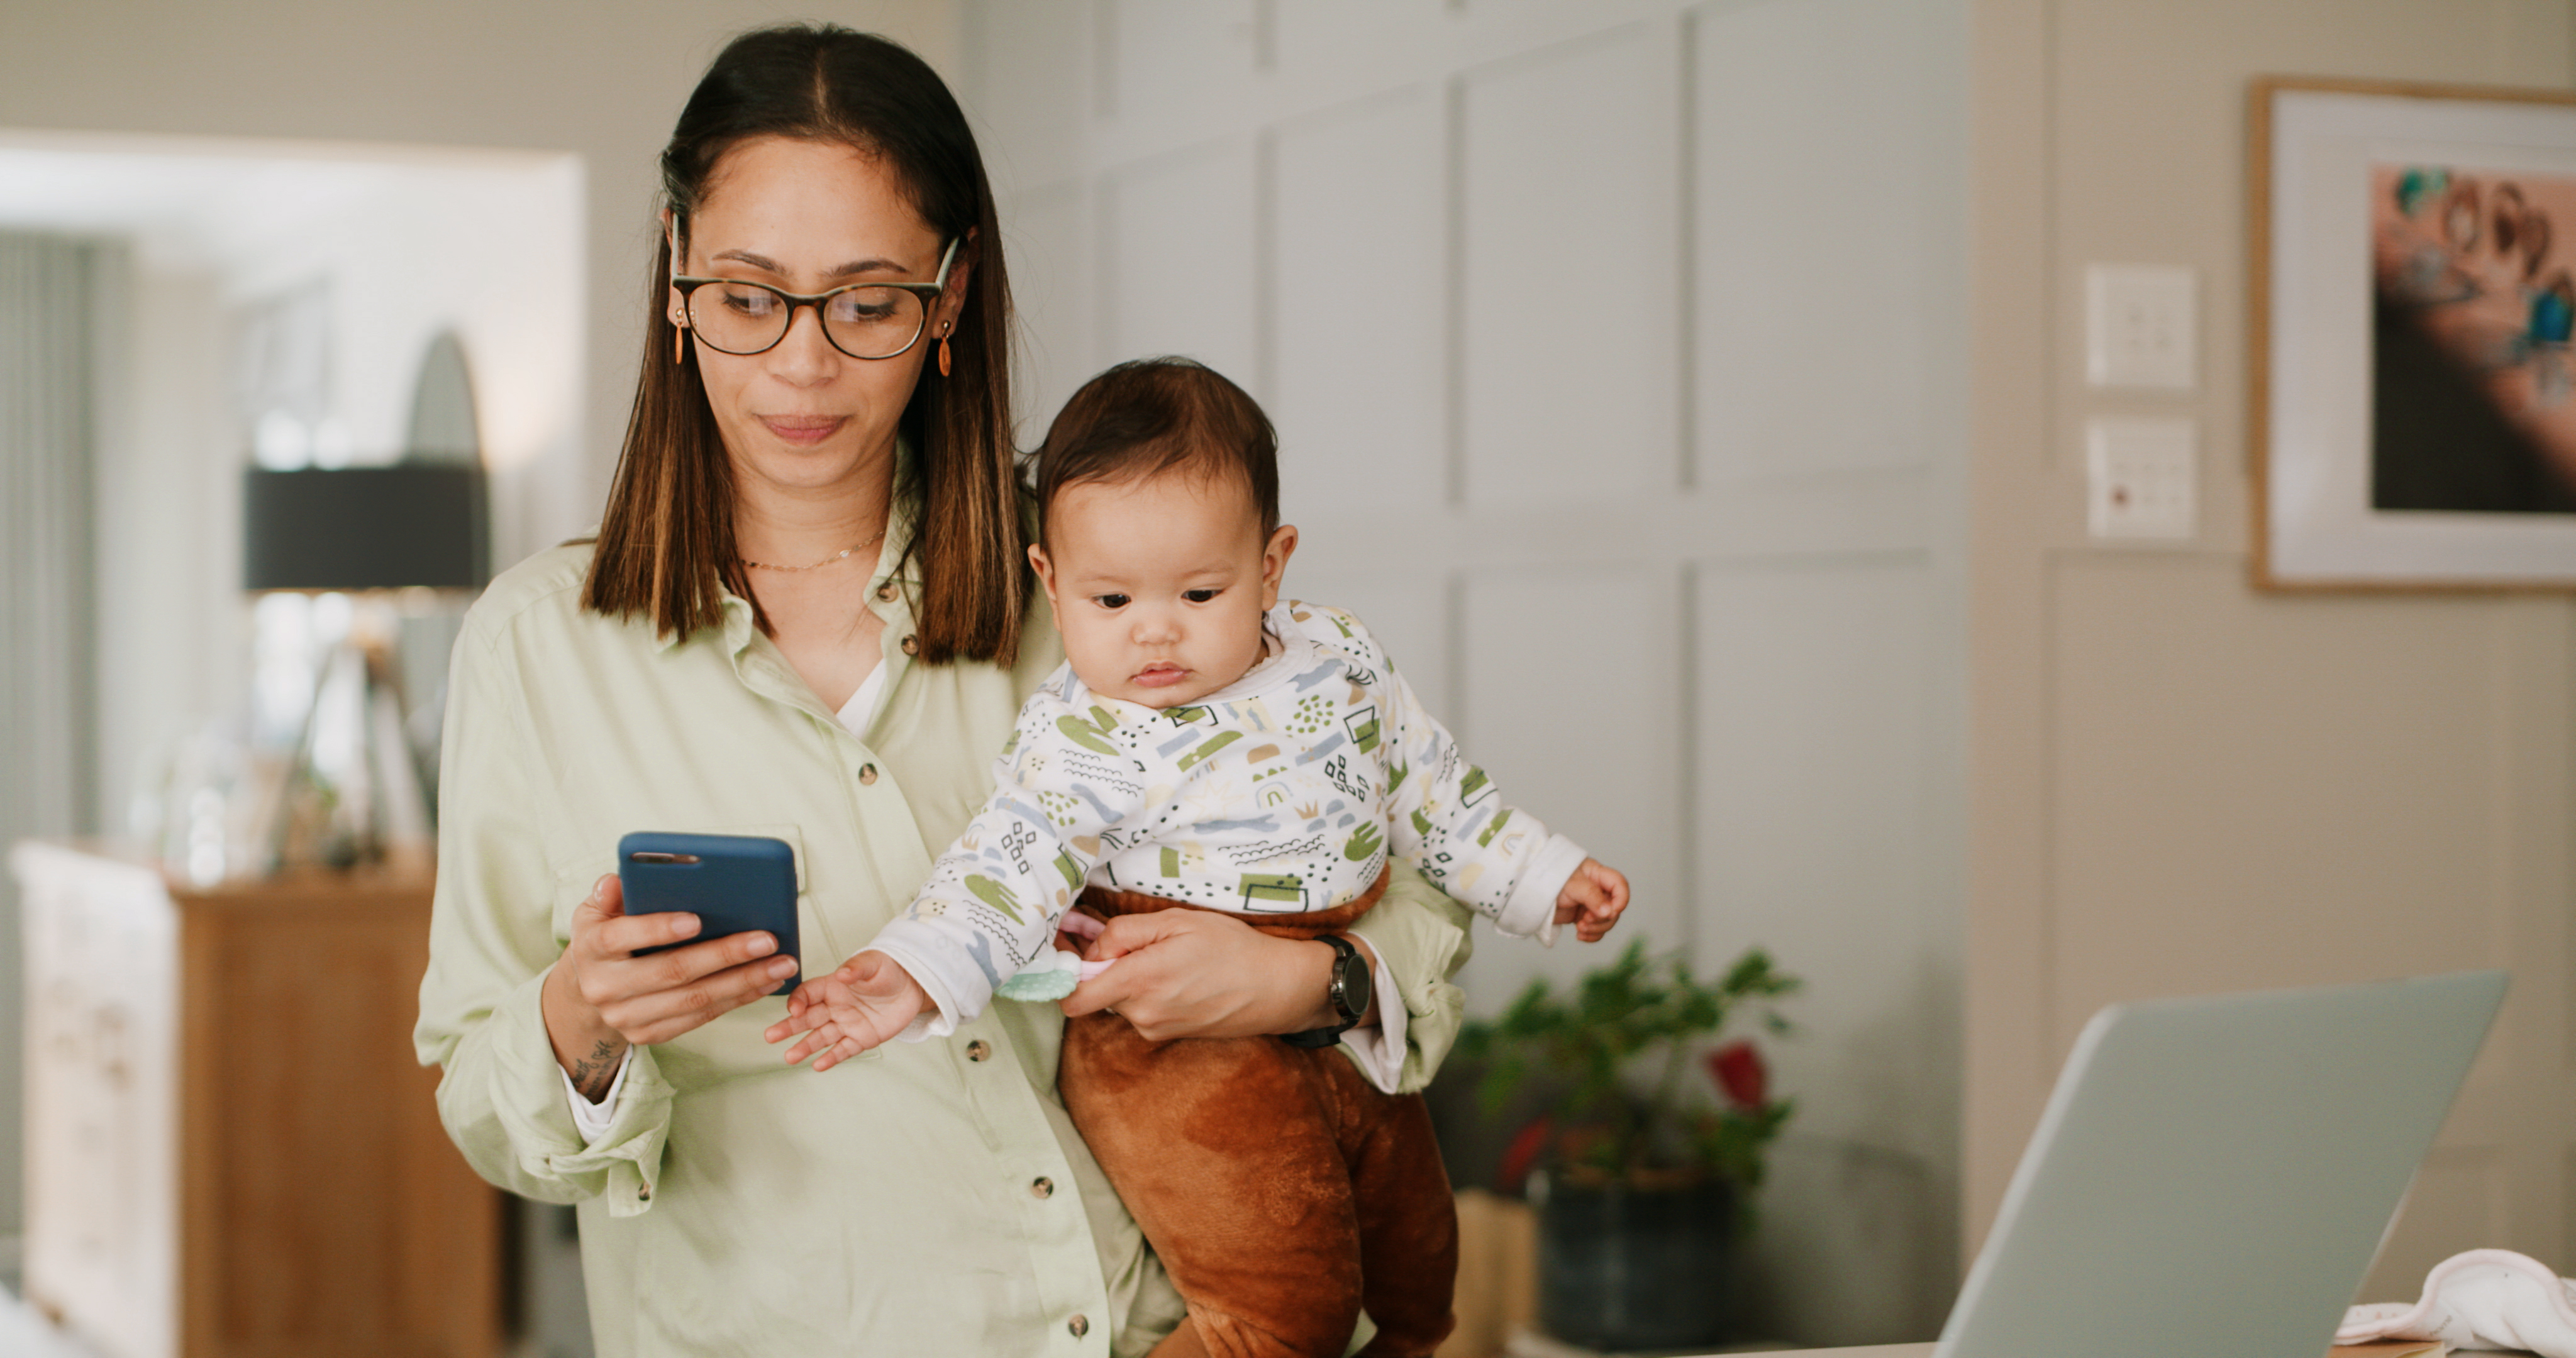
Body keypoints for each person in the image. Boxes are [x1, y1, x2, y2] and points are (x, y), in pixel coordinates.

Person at [411, 26, 1478, 1357]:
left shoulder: (1116, 589)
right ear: (677, 286)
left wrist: (1305, 984)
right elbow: (479, 1093)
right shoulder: (537, 647)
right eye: (748, 297)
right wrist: (578, 1024)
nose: (804, 366)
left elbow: (1420, 882)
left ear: (953, 294)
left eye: (867, 303)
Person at [767, 358, 1631, 1357]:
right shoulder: (1082, 733)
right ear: (1052, 579)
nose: (1156, 632)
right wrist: (914, 975)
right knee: (1280, 1313)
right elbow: (1004, 866)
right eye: (1112, 601)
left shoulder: (1340, 662)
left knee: (1419, 1268)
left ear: (1272, 565)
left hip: (1330, 999)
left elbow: (1434, 793)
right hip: (1169, 1042)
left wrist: (1545, 876)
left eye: (1200, 590)